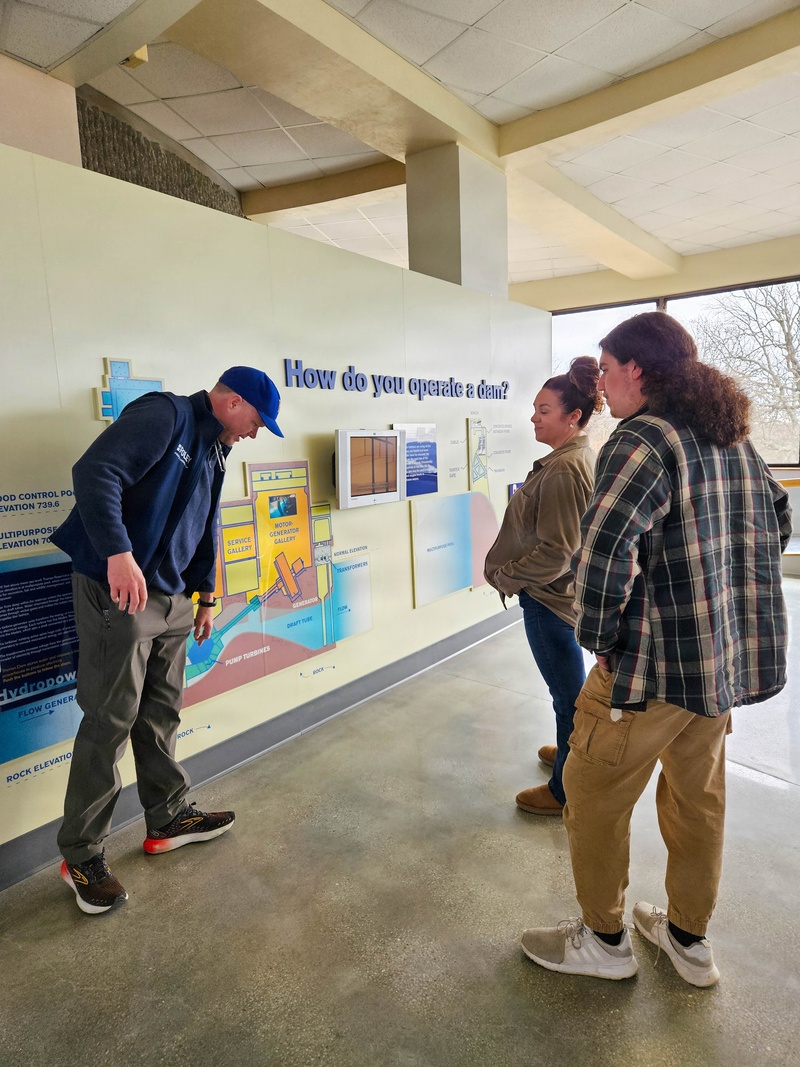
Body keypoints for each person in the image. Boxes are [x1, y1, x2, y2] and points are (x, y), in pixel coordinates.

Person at [520, 312, 791, 986]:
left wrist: (601, 642)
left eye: (608, 370)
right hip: (714, 671)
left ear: (638, 369)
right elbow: (781, 520)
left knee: (590, 792)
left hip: (647, 671)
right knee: (697, 801)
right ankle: (688, 940)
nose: (602, 386)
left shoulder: (641, 439)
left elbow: (605, 554)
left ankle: (606, 940)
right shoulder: (731, 437)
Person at [51, 367, 284, 915]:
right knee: (110, 720)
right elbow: (94, 473)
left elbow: (205, 523)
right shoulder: (165, 415)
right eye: (256, 420)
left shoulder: (214, 447)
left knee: (161, 713)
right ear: (232, 402)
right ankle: (80, 855)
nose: (254, 433)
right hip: (123, 590)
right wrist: (117, 552)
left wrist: (205, 594)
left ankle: (168, 816)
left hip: (174, 598)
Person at [484, 357, 602, 815]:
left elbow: (558, 552)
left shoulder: (564, 469)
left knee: (567, 697)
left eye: (544, 410)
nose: (534, 417)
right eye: (535, 409)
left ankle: (563, 791)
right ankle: (569, 748)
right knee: (568, 695)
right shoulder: (570, 460)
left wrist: (505, 576)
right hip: (558, 600)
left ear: (573, 417)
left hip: (550, 603)